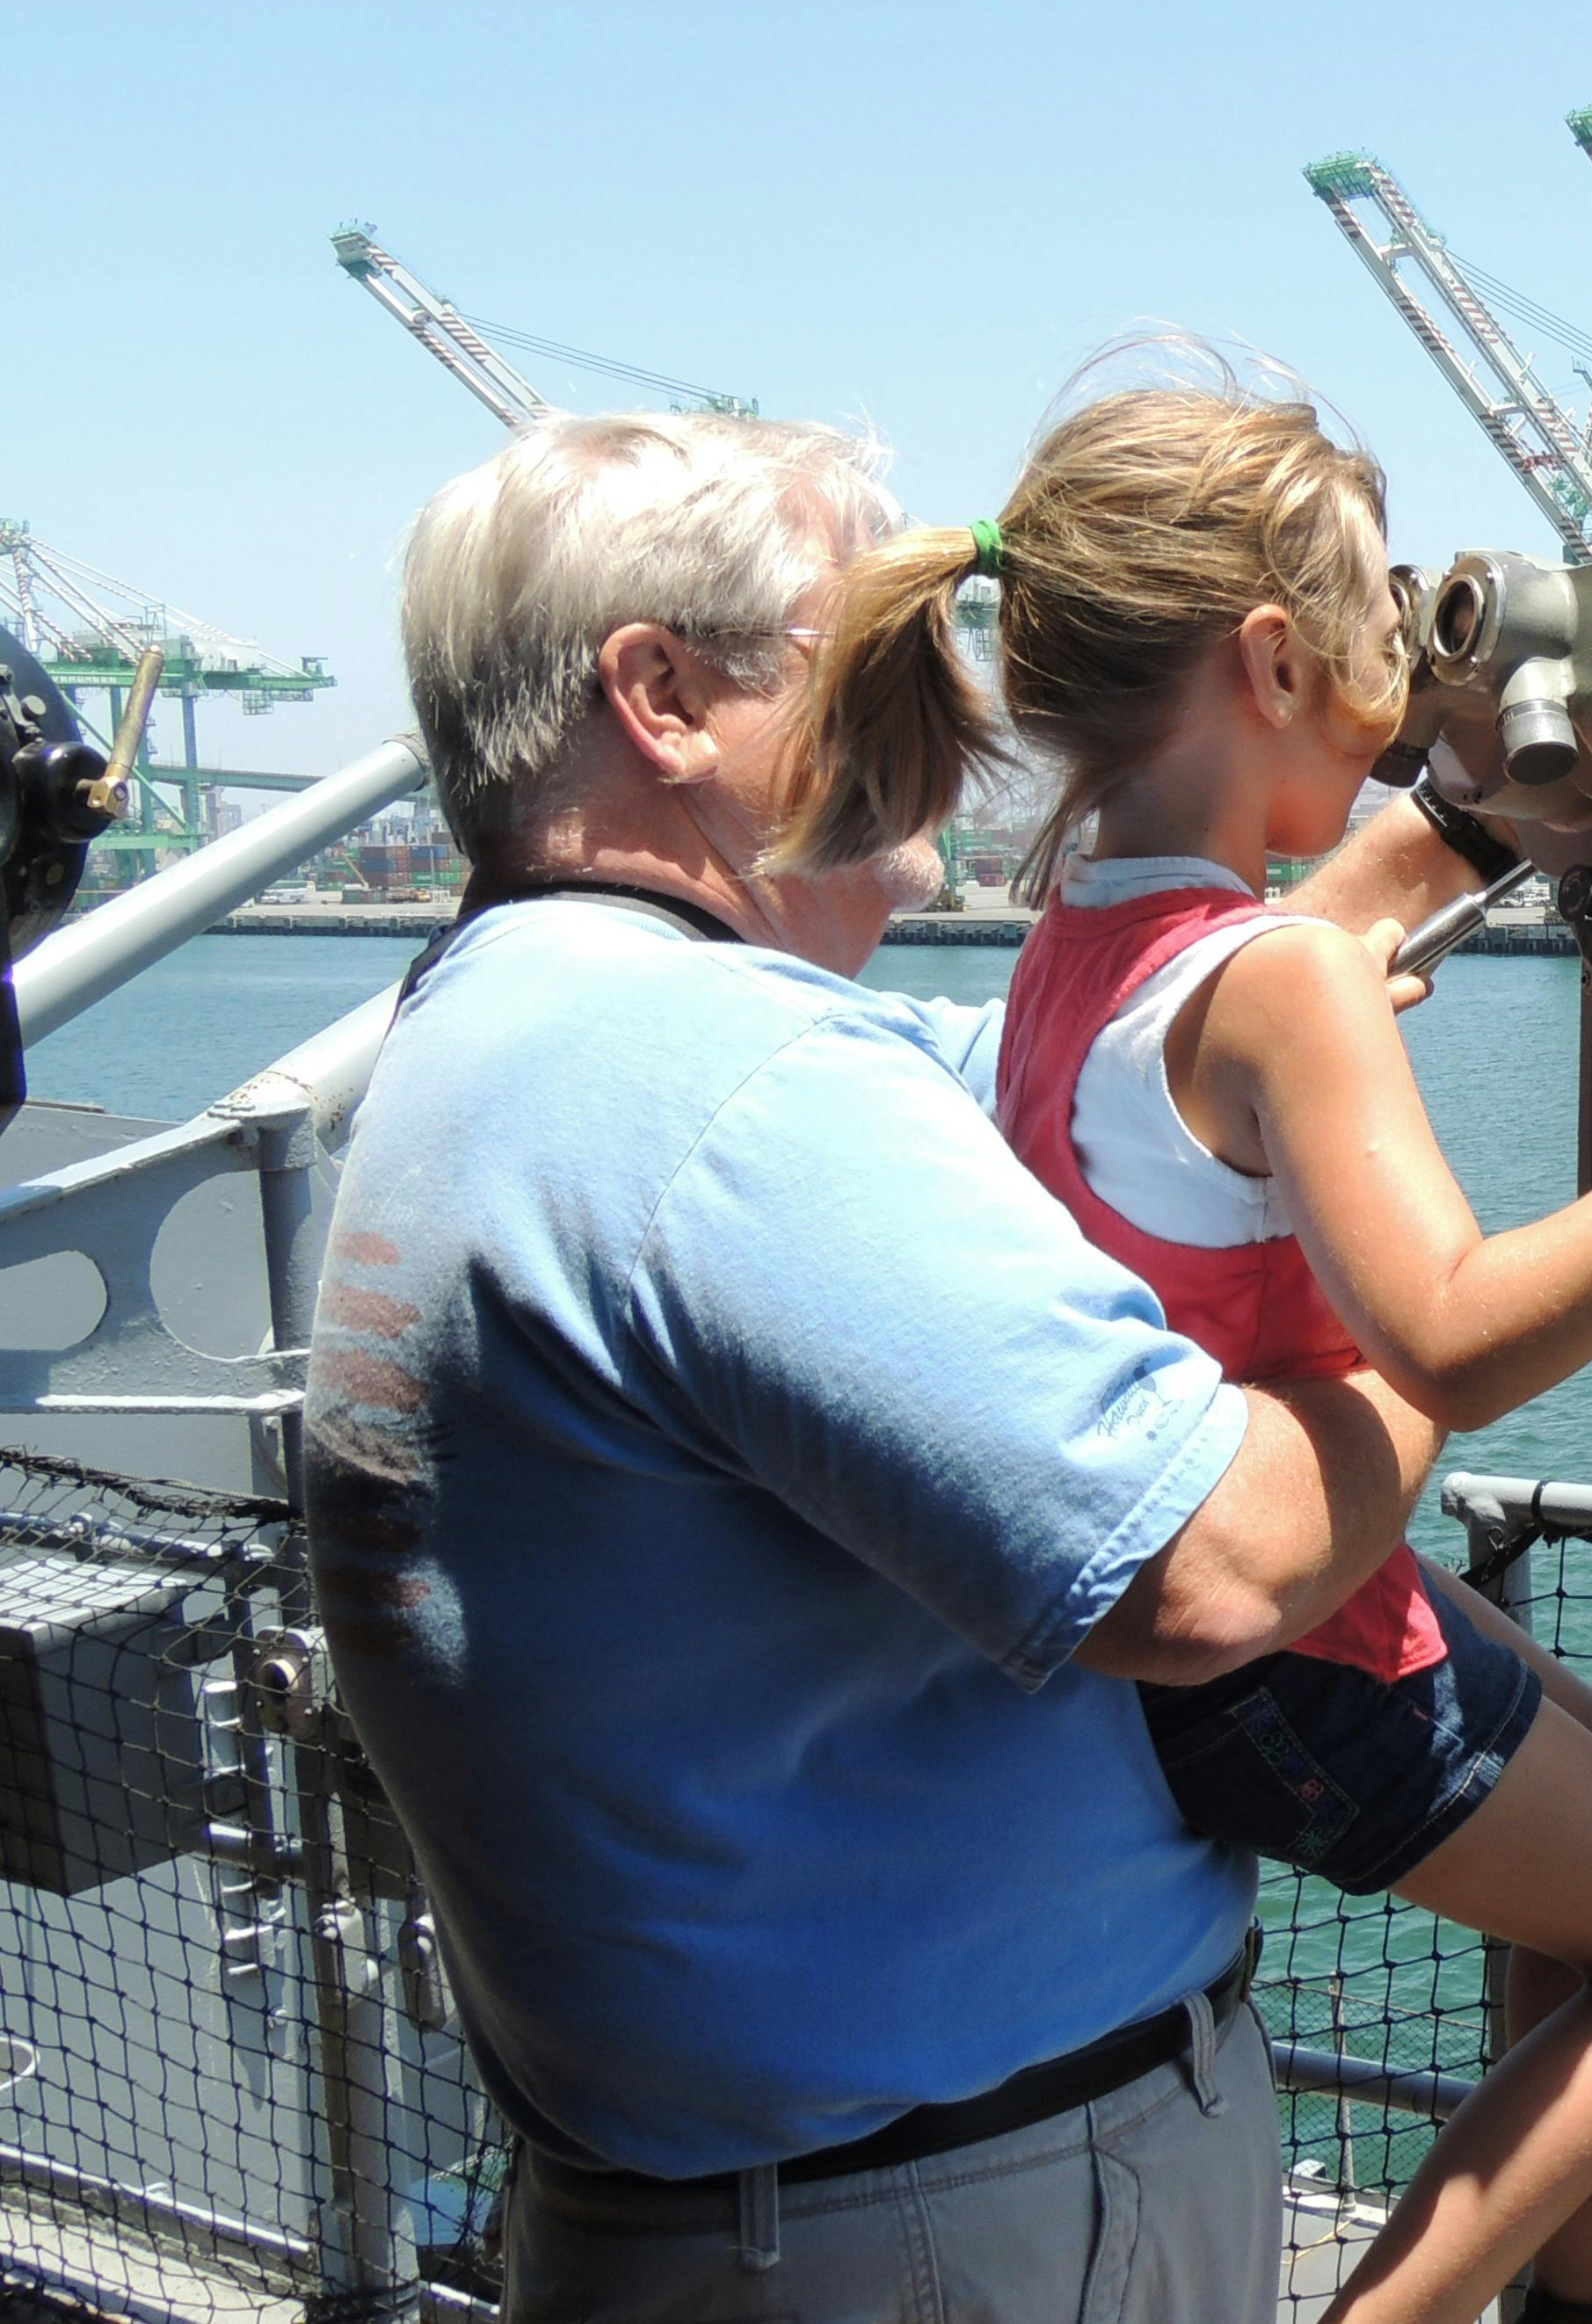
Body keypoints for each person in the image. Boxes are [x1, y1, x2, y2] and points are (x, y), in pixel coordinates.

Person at [301, 409, 1507, 2323]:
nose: (944, 713)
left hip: (743, 2208)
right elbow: (1211, 1569)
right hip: (946, 2230)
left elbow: (1110, 1063)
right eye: (865, 652)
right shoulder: (724, 1098)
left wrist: (1474, 824)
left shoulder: (520, 1028)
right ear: (660, 699)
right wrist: (1427, 1325)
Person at [769, 385, 1592, 2324]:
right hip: (1302, 1659)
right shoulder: (1282, 982)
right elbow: (1455, 1339)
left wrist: (1474, 820)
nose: (1406, 680)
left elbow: (1288, 947)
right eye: (1386, 633)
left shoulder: (1079, 941)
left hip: (1205, 1633)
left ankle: (1587, 2288)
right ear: (1275, 662)